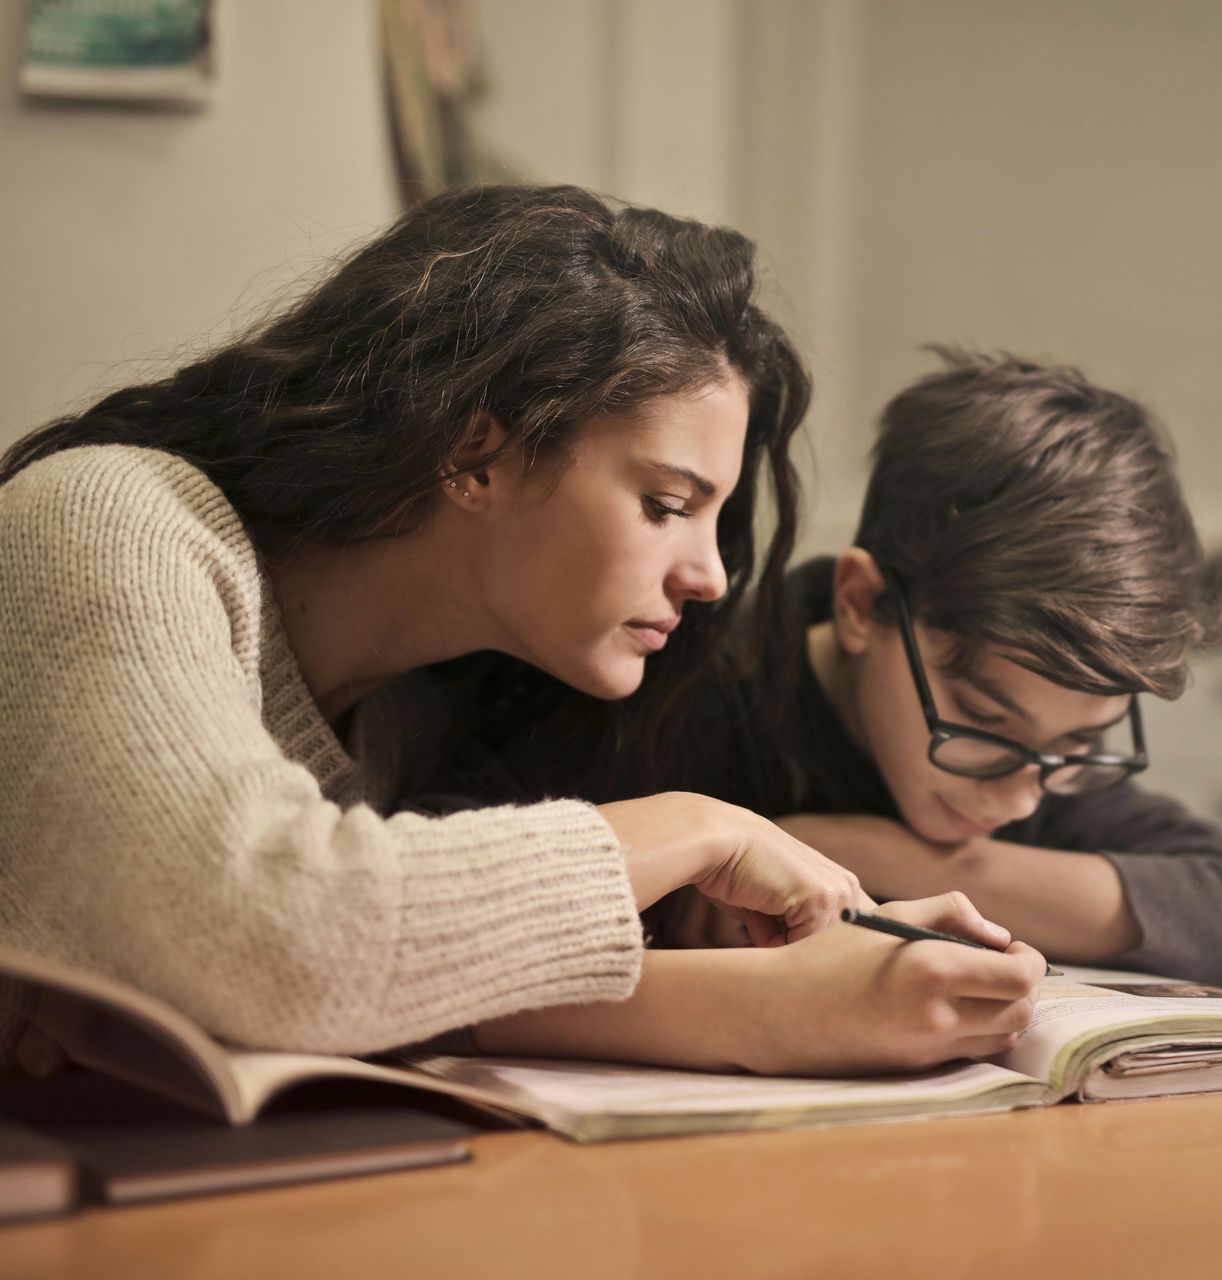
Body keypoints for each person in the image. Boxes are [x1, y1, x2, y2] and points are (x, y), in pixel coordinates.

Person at [0, 186, 1041, 1077]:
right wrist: (697, 827)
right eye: (668, 503)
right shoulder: (114, 520)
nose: (712, 575)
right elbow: (284, 939)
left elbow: (382, 982)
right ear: (475, 453)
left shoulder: (420, 708)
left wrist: (794, 988)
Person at [448, 350, 1222, 994]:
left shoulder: (1041, 760)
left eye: (1081, 746)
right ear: (861, 605)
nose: (1020, 798)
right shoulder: (671, 687)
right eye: (983, 724)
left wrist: (882, 856)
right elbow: (438, 897)